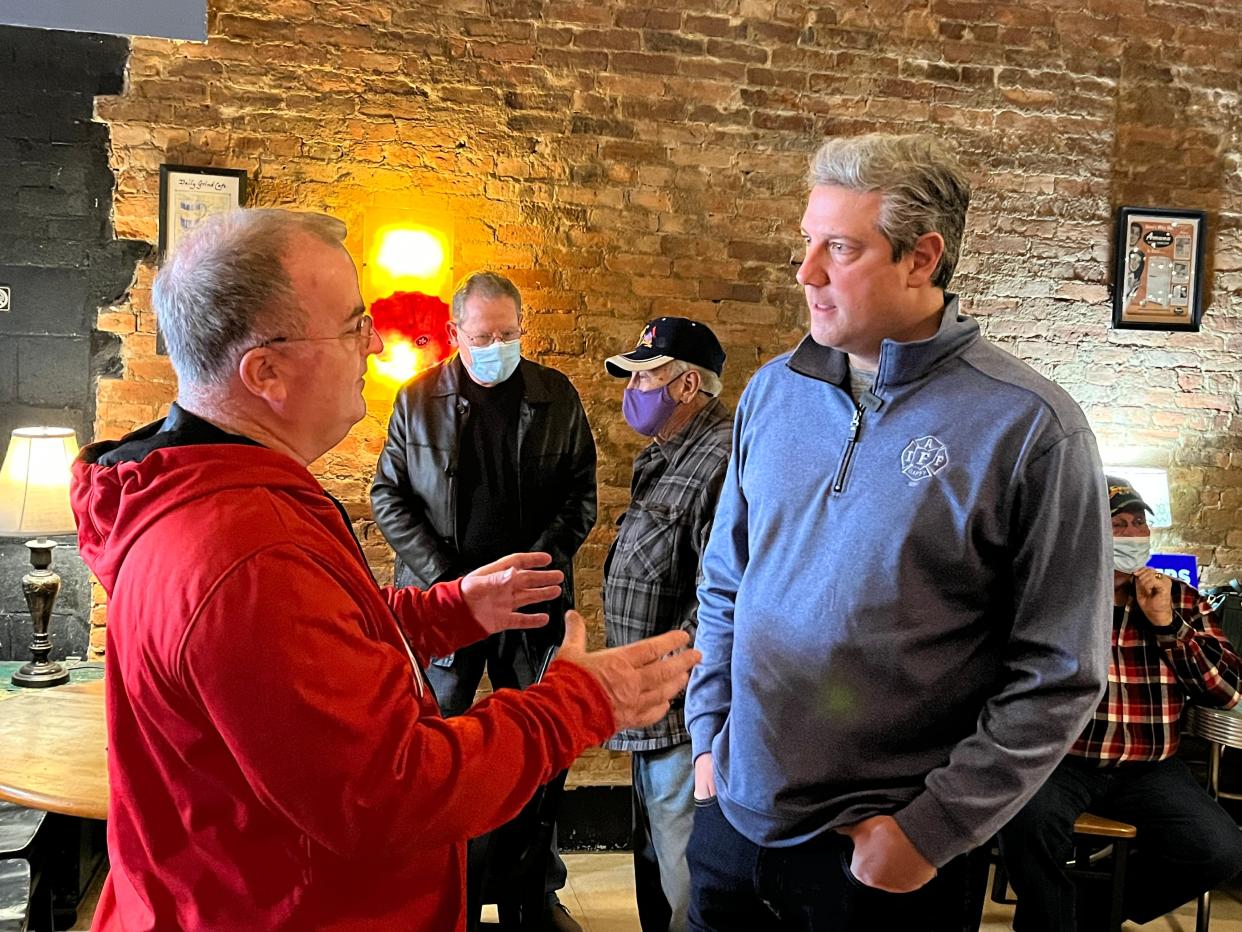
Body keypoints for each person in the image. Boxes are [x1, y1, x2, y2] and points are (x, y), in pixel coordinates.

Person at [70, 208, 699, 932]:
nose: (372, 343)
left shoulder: (231, 498)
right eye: (350, 324)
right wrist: (579, 703)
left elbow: (325, 638)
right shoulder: (249, 555)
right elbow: (394, 791)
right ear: (264, 371)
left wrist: (453, 607)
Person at [683, 132, 1113, 931]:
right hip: (734, 823)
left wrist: (929, 832)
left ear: (922, 258)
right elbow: (724, 581)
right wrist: (708, 737)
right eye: (806, 244)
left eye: (839, 249)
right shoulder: (773, 392)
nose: (806, 273)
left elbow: (1059, 672)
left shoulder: (1030, 427)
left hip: (883, 858)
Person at [370, 270, 596, 929]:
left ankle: (532, 891)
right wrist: (449, 583)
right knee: (435, 746)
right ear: (453, 334)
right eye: (483, 335)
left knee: (543, 749)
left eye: (508, 334)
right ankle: (444, 897)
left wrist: (533, 570)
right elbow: (389, 496)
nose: (497, 345)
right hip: (443, 608)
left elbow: (579, 497)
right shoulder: (417, 400)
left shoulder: (556, 394)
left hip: (532, 602)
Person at [998, 475, 1242, 931]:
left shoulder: (1181, 599)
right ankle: (1052, 920)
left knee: (1220, 849)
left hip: (1150, 767)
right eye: (1119, 524)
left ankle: (1088, 912)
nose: (1133, 535)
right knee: (1026, 823)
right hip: (1062, 760)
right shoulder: (1055, 593)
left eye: (1138, 524)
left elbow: (1227, 691)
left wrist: (1167, 625)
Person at [602, 316, 733, 932]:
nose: (633, 390)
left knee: (684, 875)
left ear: (685, 387)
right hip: (643, 702)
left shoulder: (721, 459)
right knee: (655, 861)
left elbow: (721, 593)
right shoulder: (666, 455)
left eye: (644, 375)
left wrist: (665, 677)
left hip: (678, 708)